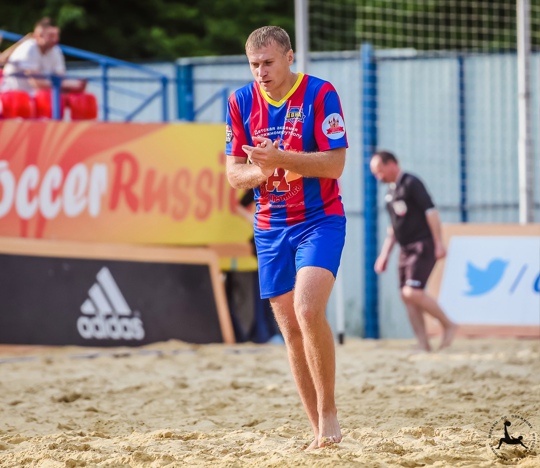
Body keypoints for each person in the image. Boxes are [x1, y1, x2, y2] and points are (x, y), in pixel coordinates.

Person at [225, 25, 348, 450]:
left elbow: (334, 165)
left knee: (308, 309)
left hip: (319, 219)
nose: (260, 72)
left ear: (290, 57)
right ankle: (318, 430)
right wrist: (262, 171)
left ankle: (329, 412)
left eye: (268, 63)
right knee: (291, 330)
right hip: (270, 226)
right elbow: (233, 175)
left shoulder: (320, 93)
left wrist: (282, 158)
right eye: (254, 64)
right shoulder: (241, 101)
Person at [370, 150, 458, 352]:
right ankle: (423, 343)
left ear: (392, 164)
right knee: (406, 296)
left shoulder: (411, 183)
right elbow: (393, 229)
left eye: (379, 170)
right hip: (405, 249)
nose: (378, 176)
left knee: (413, 292)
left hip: (422, 245)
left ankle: (448, 324)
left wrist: (438, 242)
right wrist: (384, 255)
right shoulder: (390, 193)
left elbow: (431, 212)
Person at [234, 189, 283, 344]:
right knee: (265, 287)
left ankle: (273, 332)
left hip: (282, 237)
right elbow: (239, 206)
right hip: (265, 238)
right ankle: (264, 332)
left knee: (280, 286)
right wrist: (255, 221)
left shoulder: (291, 182)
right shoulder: (259, 183)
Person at [1, 17, 85, 94]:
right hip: (12, 98)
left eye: (57, 35)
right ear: (39, 36)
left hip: (35, 99)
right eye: (51, 36)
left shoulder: (55, 50)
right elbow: (37, 83)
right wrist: (69, 84)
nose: (56, 39)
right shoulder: (28, 48)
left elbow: (60, 77)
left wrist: (71, 85)